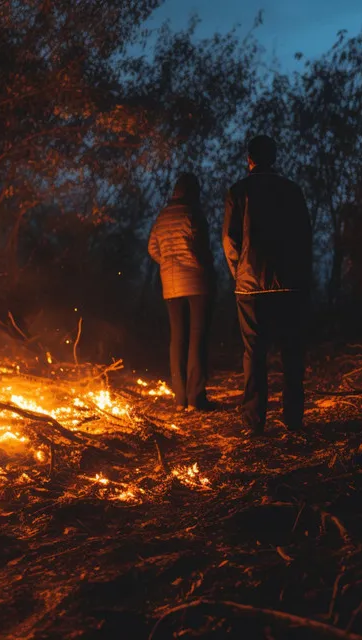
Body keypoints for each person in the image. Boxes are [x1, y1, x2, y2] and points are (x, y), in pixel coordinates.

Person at [223, 135, 312, 435]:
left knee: (254, 354)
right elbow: (304, 236)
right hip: (290, 285)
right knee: (291, 352)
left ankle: (254, 422)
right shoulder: (292, 190)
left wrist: (238, 272)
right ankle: (293, 419)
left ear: (249, 158)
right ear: (274, 158)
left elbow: (230, 240)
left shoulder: (238, 191)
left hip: (250, 287)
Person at [148, 172, 214, 411]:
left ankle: (179, 400)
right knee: (197, 337)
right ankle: (196, 398)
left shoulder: (163, 216)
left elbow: (152, 247)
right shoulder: (193, 213)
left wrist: (166, 262)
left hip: (170, 283)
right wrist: (202, 265)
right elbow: (202, 247)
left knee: (177, 338)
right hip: (196, 281)